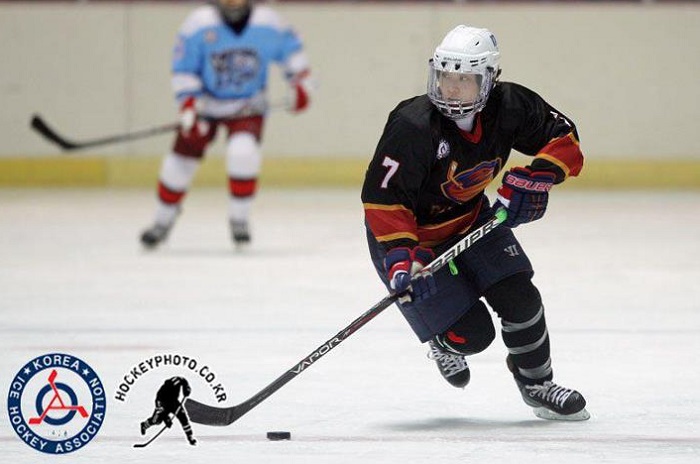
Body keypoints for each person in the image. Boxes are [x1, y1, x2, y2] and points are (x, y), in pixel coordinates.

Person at [361, 25, 589, 421]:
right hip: (411, 239)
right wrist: (402, 260)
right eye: (447, 77)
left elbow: (564, 137)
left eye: (464, 80)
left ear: (489, 79)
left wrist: (539, 177)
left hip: (471, 220)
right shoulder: (413, 126)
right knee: (472, 335)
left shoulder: (511, 106)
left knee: (521, 299)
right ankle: (441, 341)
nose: (451, 89)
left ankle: (537, 385)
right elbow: (384, 201)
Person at [140, 0, 314, 249]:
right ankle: (162, 220)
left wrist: (300, 84)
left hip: (247, 105)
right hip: (205, 105)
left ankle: (239, 219)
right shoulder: (198, 23)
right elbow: (184, 68)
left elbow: (293, 52)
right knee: (180, 162)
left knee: (242, 153)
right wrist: (188, 103)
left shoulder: (268, 22)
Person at [140, 376, 197, 445]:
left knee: (183, 418)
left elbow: (183, 380)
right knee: (156, 421)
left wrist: (186, 389)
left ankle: (190, 436)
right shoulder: (160, 397)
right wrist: (166, 419)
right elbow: (160, 408)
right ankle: (144, 425)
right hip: (164, 405)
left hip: (175, 403)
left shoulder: (177, 380)